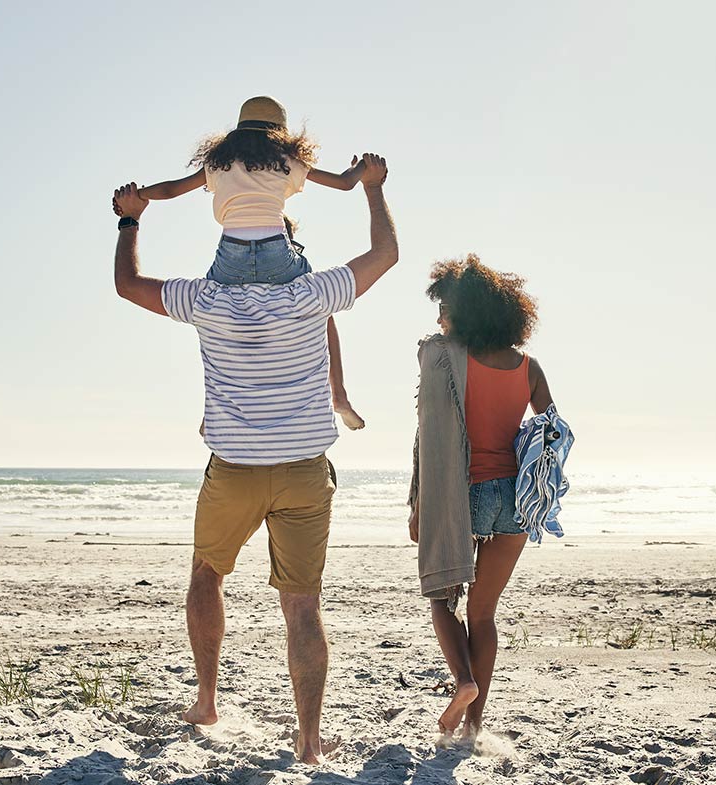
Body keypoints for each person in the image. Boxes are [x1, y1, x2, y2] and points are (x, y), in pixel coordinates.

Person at [109, 153, 394, 765]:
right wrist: (371, 189)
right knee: (302, 607)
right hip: (304, 472)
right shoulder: (314, 295)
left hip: (234, 469)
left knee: (206, 575)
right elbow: (385, 254)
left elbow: (128, 286)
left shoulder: (206, 299)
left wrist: (131, 221)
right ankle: (310, 740)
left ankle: (207, 701)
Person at [123, 95, 370, 430]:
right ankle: (338, 393)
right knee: (320, 308)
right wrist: (360, 170)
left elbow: (170, 190)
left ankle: (211, 412)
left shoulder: (220, 164)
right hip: (276, 254)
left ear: (236, 134)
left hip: (231, 257)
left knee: (209, 316)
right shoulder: (286, 161)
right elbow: (343, 183)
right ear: (281, 134)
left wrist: (136, 197)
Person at [407, 255, 555, 737]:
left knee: (441, 601)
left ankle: (464, 682)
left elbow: (427, 434)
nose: (439, 317)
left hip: (459, 495)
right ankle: (474, 723)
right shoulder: (529, 367)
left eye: (446, 306)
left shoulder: (444, 357)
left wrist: (418, 502)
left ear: (467, 310)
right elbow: (554, 433)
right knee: (484, 614)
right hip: (514, 496)